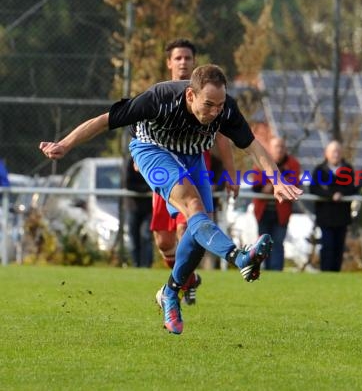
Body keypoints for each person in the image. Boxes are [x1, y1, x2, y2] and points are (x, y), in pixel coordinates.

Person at [39, 64, 303, 335]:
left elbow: (252, 145)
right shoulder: (159, 98)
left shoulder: (225, 109)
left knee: (199, 231)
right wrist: (65, 144)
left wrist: (277, 179)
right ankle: (240, 257)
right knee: (193, 207)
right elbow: (105, 120)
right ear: (190, 95)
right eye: (209, 105)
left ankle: (169, 292)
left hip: (192, 156)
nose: (215, 112)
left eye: (220, 105)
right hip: (152, 150)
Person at [151, 38, 236, 306]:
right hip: (164, 170)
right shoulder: (161, 95)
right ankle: (188, 280)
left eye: (188, 58)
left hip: (194, 170)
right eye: (178, 58)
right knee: (164, 242)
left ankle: (172, 289)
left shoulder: (209, 98)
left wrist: (231, 174)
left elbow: (224, 136)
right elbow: (138, 125)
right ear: (169, 63)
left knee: (188, 224)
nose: (183, 62)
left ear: (194, 62)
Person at [251, 137, 301, 271]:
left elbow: (294, 185)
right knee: (262, 243)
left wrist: (272, 187)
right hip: (263, 211)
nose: (279, 150)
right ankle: (260, 270)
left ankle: (276, 271)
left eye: (281, 146)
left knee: (278, 243)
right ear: (270, 149)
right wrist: (275, 186)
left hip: (282, 212)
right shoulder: (260, 161)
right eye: (276, 147)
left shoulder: (293, 164)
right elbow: (256, 186)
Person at [309, 140, 358, 272]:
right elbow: (314, 189)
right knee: (327, 246)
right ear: (326, 154)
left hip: (342, 216)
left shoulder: (347, 169)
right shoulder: (320, 170)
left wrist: (341, 193)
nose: (335, 154)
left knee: (339, 247)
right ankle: (325, 272)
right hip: (325, 217)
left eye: (338, 151)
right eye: (333, 151)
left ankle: (336, 273)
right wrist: (331, 195)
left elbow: (352, 188)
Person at [124, 157, 154, 268]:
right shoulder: (131, 161)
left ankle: (146, 265)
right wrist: (147, 189)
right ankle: (136, 264)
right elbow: (129, 184)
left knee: (146, 236)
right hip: (133, 207)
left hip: (149, 208)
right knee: (133, 238)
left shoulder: (153, 160)